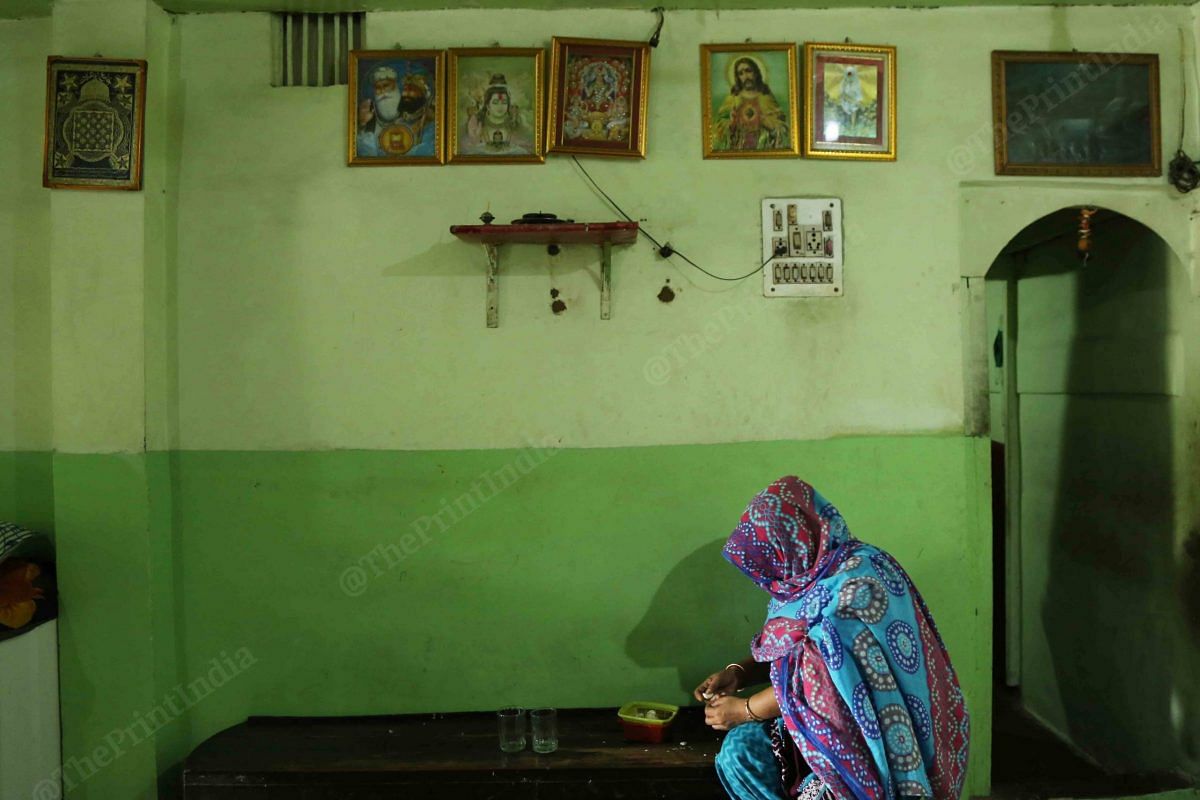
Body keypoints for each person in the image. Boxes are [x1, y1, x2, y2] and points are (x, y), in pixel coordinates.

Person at [696, 477, 970, 800]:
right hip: (910, 732)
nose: (770, 582)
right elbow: (793, 655)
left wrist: (743, 710)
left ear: (791, 546)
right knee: (741, 751)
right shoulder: (857, 562)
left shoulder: (839, 602)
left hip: (871, 754)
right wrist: (739, 673)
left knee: (742, 756)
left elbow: (811, 684)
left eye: (771, 567)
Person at [356, 65, 436, 158]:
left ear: (396, 87)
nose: (382, 91)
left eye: (386, 85)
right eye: (378, 88)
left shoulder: (427, 121)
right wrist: (362, 123)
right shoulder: (370, 115)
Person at [711, 57, 790, 152]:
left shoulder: (766, 97)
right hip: (738, 148)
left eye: (748, 71)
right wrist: (731, 124)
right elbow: (719, 128)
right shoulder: (733, 98)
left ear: (756, 73)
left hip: (762, 146)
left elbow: (782, 127)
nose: (745, 76)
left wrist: (769, 124)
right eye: (741, 73)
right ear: (738, 77)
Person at [463, 74, 532, 155]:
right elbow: (466, 149)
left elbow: (527, 148)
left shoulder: (516, 121)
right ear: (488, 105)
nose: (500, 107)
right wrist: (475, 139)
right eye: (495, 103)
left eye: (504, 102)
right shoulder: (476, 121)